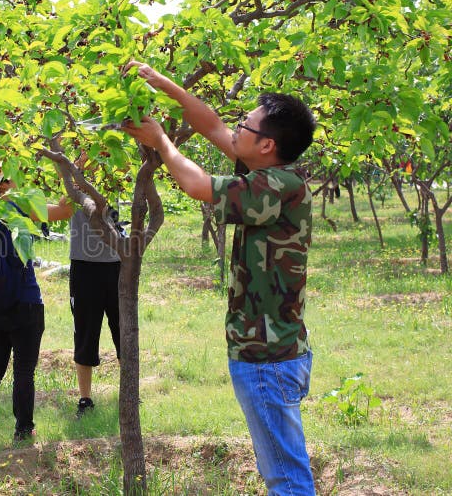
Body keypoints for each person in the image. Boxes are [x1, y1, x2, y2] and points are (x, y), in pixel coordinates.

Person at [122, 60, 317, 496]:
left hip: (267, 358)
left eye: (245, 127)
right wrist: (164, 83)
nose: (236, 131)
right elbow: (211, 124)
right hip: (272, 351)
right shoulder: (272, 172)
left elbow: (199, 185)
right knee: (284, 469)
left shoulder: (276, 186)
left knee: (287, 478)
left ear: (266, 145)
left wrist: (162, 144)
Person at [0, 169, 72, 443]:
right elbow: (65, 211)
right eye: (13, 175)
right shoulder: (20, 207)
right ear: (3, 186)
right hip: (25, 302)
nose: (19, 179)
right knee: (24, 371)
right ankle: (23, 429)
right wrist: (77, 169)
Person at [64, 153, 122, 418]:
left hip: (116, 263)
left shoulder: (117, 170)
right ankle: (85, 399)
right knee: (85, 333)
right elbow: (65, 203)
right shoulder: (74, 179)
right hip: (84, 265)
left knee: (124, 331)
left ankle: (129, 393)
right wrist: (81, 165)